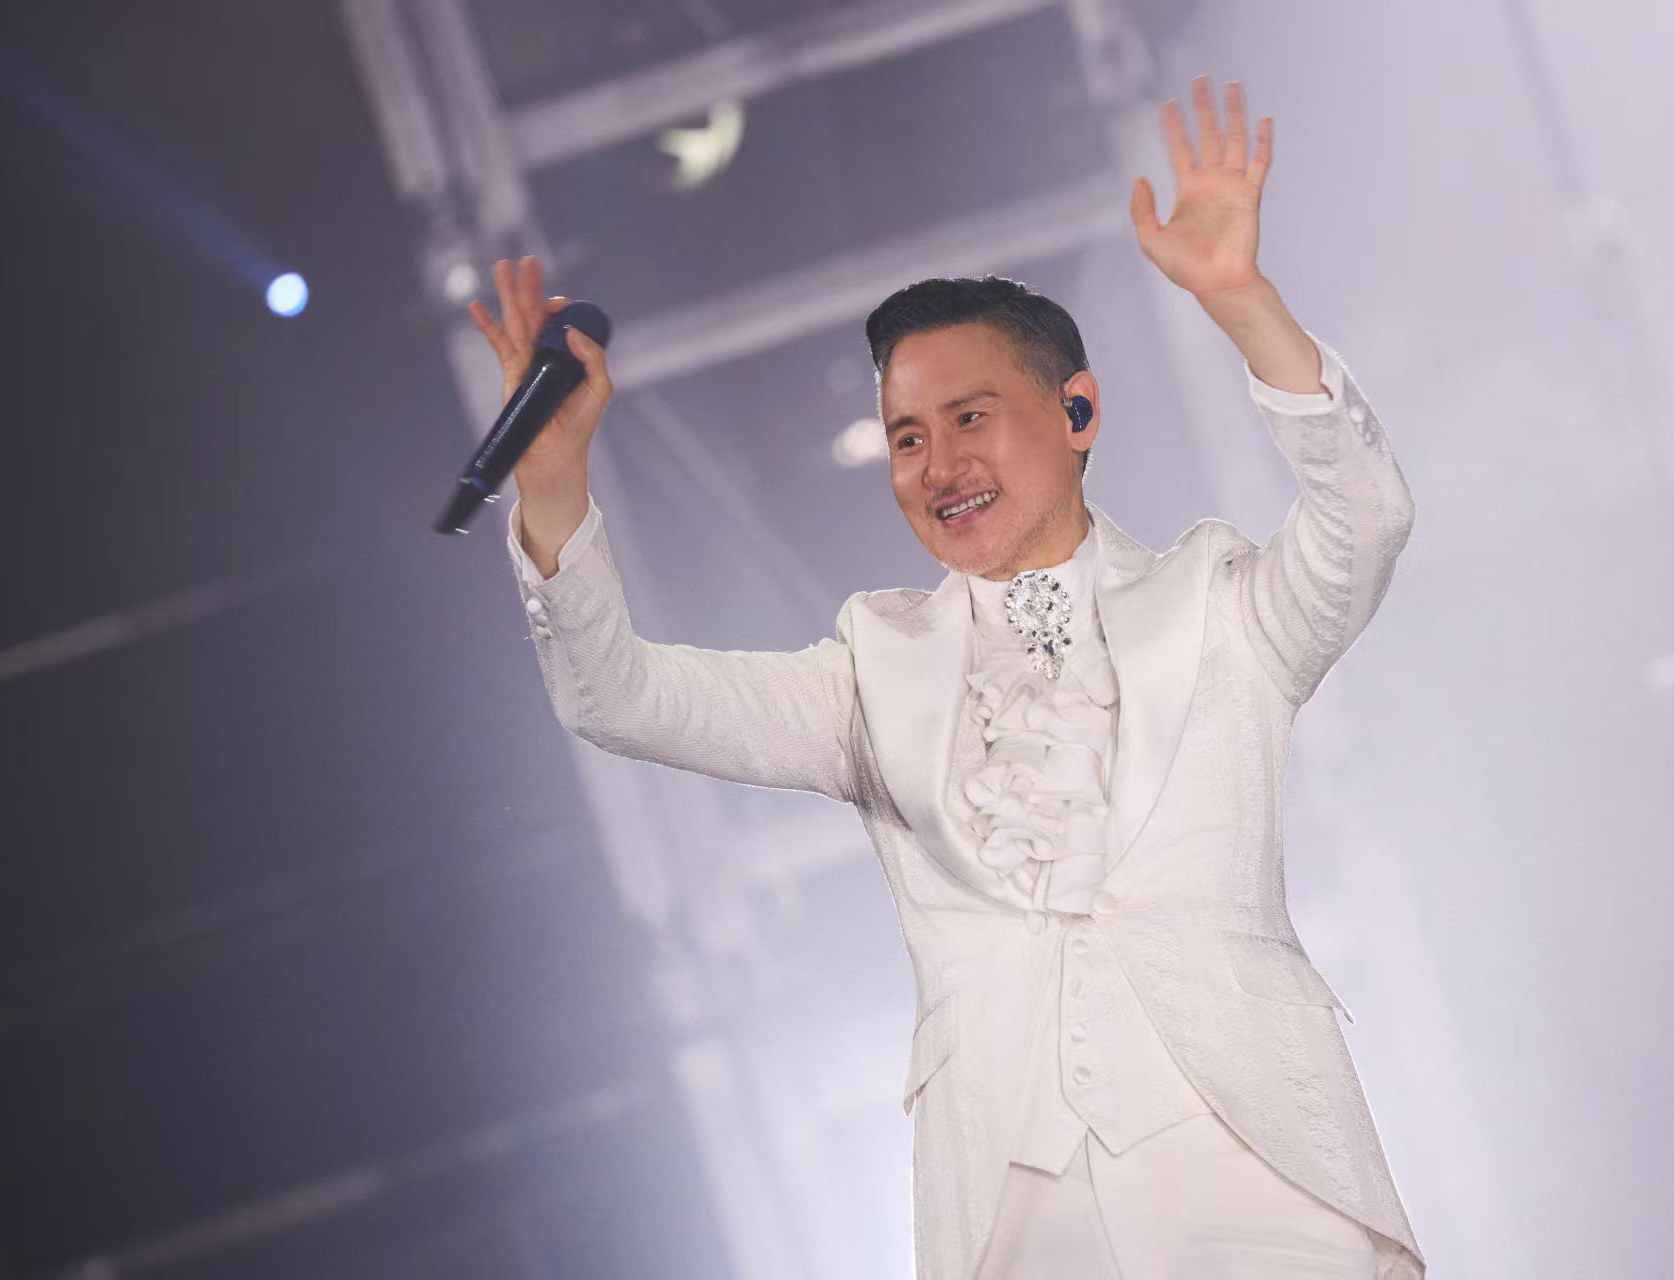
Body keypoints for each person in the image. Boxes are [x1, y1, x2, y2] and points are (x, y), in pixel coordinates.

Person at [469, 74, 1424, 1279]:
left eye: (971, 418)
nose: (938, 465)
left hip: (1260, 1174)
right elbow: (618, 696)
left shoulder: (1218, 604)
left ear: (1077, 410)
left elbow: (1365, 520)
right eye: (908, 438)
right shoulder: (872, 672)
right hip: (1017, 1214)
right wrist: (554, 480)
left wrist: (1241, 300)